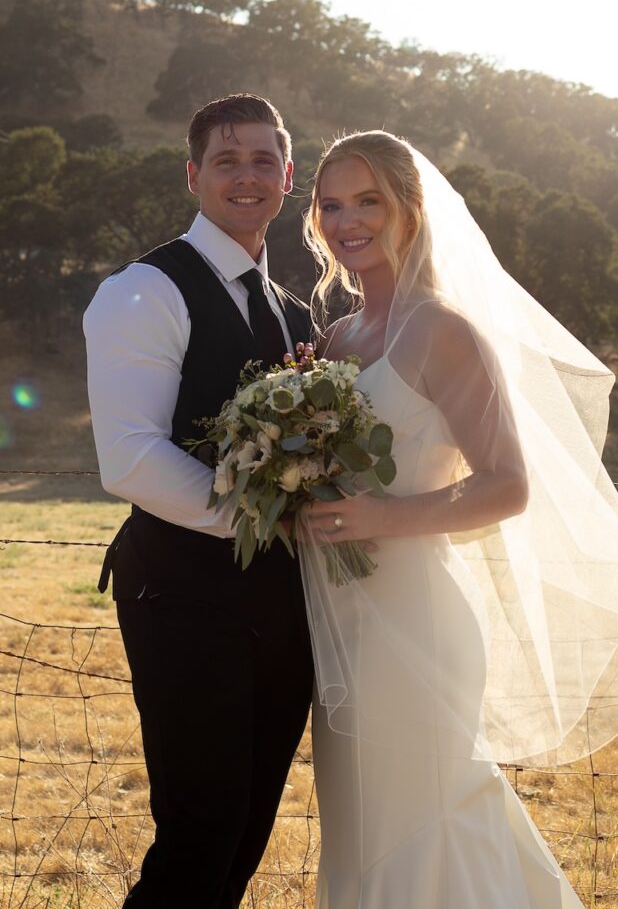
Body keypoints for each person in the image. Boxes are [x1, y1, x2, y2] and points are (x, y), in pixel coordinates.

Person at [298, 130, 618, 908]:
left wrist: (383, 514)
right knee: (361, 831)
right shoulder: (338, 337)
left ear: (410, 207)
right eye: (332, 204)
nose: (348, 221)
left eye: (368, 200)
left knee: (427, 821)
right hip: (341, 621)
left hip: (418, 616)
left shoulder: (444, 330)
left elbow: (508, 486)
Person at [83, 94, 314, 909]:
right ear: (194, 175)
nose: (246, 176)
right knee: (199, 829)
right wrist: (272, 522)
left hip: (284, 606)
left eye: (263, 160)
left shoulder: (296, 313)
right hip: (181, 596)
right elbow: (132, 459)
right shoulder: (144, 290)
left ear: (289, 176)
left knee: (247, 831)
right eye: (227, 159)